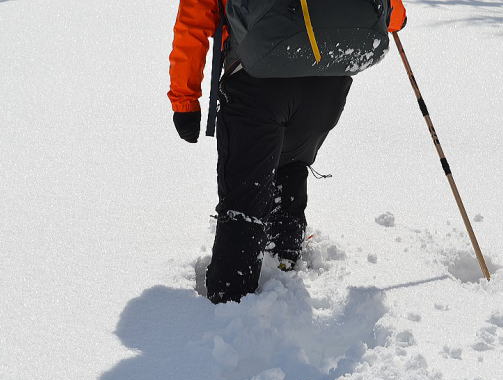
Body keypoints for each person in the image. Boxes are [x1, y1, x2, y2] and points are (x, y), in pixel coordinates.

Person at [169, 0, 407, 304]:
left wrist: (185, 100)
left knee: (245, 195)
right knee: (291, 163)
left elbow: (194, 21)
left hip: (257, 85)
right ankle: (283, 261)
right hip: (327, 85)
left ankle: (230, 304)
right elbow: (391, 16)